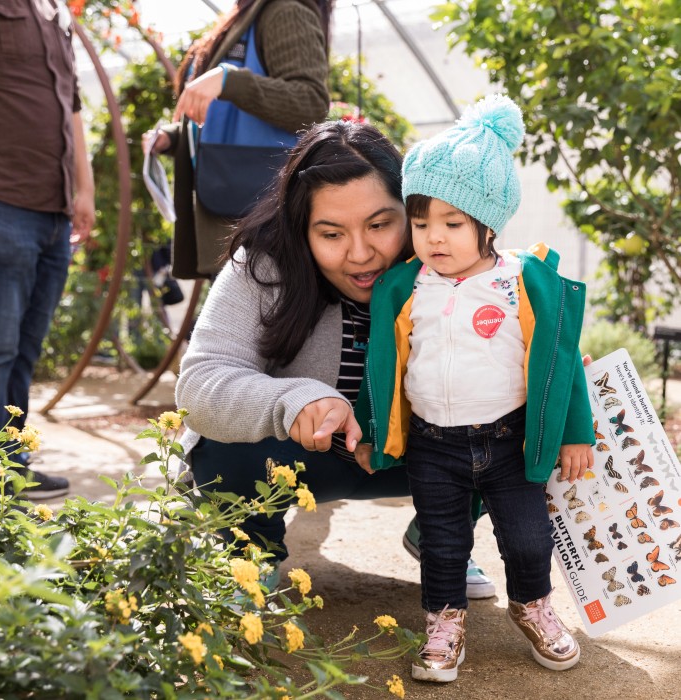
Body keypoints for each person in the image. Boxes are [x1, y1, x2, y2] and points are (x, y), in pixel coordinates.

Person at [175, 120, 495, 596]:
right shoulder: (263, 267)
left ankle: (442, 536)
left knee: (530, 420)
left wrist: (548, 377)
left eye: (381, 225)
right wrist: (299, 400)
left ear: (410, 212)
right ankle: (250, 551)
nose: (361, 254)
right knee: (219, 444)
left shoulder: (454, 262)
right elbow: (200, 384)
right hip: (296, 460)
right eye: (331, 234)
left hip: (416, 458)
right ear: (300, 229)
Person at [357, 95, 595, 682]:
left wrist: (574, 433)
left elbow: (563, 361)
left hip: (510, 441)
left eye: (452, 223)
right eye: (420, 223)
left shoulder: (522, 281)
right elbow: (381, 367)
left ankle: (532, 604)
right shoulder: (408, 287)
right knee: (443, 543)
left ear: (489, 223)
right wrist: (371, 431)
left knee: (527, 537)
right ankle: (444, 624)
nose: (433, 237)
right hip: (435, 445)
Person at [0, 0, 95, 499]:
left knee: (23, 351)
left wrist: (85, 189)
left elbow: (71, 107)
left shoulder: (54, 13)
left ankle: (10, 464)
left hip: (53, 214)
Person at [145, 0, 332, 280]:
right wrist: (172, 139)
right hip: (236, 220)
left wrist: (229, 80)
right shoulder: (248, 14)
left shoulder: (285, 10)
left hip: (261, 225)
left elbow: (310, 102)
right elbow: (225, 118)